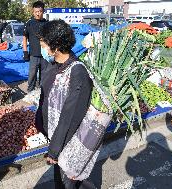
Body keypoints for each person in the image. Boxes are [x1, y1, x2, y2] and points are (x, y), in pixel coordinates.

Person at [35, 19, 96, 189]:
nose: (43, 49)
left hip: (68, 143)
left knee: (68, 182)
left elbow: (71, 116)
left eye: (44, 44)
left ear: (55, 46)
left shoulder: (78, 72)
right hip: (56, 138)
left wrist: (54, 150)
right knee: (65, 180)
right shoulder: (53, 65)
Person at [23, 1, 48, 92]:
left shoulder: (47, 24)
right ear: (33, 12)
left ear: (43, 11)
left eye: (40, 11)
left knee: (44, 74)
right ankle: (30, 91)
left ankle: (42, 92)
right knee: (32, 74)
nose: (38, 13)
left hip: (45, 54)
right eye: (36, 11)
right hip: (33, 54)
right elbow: (25, 37)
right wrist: (25, 52)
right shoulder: (29, 23)